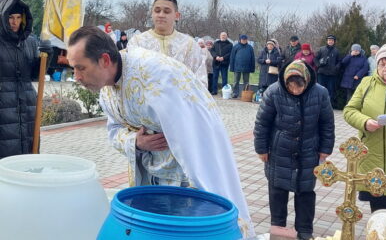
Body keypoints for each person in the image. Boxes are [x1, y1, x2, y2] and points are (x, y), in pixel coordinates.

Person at [66, 26, 254, 237]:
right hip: (149, 175)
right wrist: (136, 142)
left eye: (80, 68)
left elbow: (195, 134)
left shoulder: (158, 77)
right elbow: (114, 128)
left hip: (184, 175)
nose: (77, 77)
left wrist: (199, 189)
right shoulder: (106, 88)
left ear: (104, 60)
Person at [254, 60, 335, 240]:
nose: (296, 91)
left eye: (300, 87)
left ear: (306, 81)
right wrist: (261, 148)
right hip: (279, 149)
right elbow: (262, 124)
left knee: (306, 190)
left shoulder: (320, 93)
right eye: (292, 87)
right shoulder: (274, 91)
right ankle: (278, 226)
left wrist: (325, 149)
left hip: (309, 149)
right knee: (277, 189)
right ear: (285, 82)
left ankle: (305, 230)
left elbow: (327, 123)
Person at [344, 43, 386, 213]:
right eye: (382, 63)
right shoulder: (367, 83)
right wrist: (365, 122)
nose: (385, 68)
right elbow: (350, 110)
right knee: (379, 212)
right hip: (372, 157)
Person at [127, 0, 207, 87]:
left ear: (177, 16)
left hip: (180, 100)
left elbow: (200, 83)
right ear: (152, 14)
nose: (161, 15)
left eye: (166, 11)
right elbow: (129, 77)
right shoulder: (137, 42)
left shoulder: (189, 45)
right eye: (157, 11)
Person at [0, 0, 40, 158]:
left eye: (18, 17)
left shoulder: (29, 42)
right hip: (4, 107)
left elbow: (34, 76)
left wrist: (46, 57)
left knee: (29, 152)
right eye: (10, 17)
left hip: (28, 106)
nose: (14, 22)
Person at [314, 34, 341, 105]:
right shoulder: (321, 49)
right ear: (327, 41)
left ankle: (328, 105)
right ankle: (319, 104)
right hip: (322, 73)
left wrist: (336, 68)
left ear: (334, 41)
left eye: (332, 40)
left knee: (330, 90)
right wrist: (318, 65)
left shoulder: (336, 51)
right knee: (320, 89)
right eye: (329, 40)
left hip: (331, 74)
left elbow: (339, 61)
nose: (330, 41)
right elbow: (315, 58)